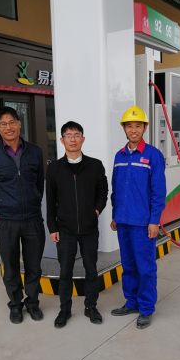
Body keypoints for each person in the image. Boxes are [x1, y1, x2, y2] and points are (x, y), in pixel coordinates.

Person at [0, 107, 45, 324]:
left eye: (12, 122)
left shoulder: (35, 152)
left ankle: (33, 303)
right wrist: (2, 207)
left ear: (19, 124)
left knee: (34, 264)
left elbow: (39, 183)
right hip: (6, 220)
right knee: (10, 265)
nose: (8, 127)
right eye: (3, 124)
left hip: (33, 218)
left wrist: (33, 201)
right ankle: (15, 305)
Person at [46, 121, 108, 329]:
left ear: (83, 139)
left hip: (89, 229)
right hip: (65, 230)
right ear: (62, 140)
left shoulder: (95, 165)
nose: (73, 139)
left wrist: (95, 211)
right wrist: (52, 227)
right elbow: (51, 200)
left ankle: (91, 307)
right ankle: (65, 309)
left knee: (91, 269)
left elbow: (103, 192)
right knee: (65, 271)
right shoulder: (54, 169)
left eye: (77, 135)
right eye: (68, 135)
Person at [110, 106, 166, 329]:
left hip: (143, 223)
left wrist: (154, 220)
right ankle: (131, 302)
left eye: (138, 126)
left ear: (144, 128)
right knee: (128, 265)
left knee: (145, 267)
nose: (134, 130)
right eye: (129, 126)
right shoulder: (119, 156)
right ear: (124, 128)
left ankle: (146, 308)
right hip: (123, 221)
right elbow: (116, 190)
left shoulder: (153, 155)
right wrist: (115, 215)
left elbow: (158, 191)